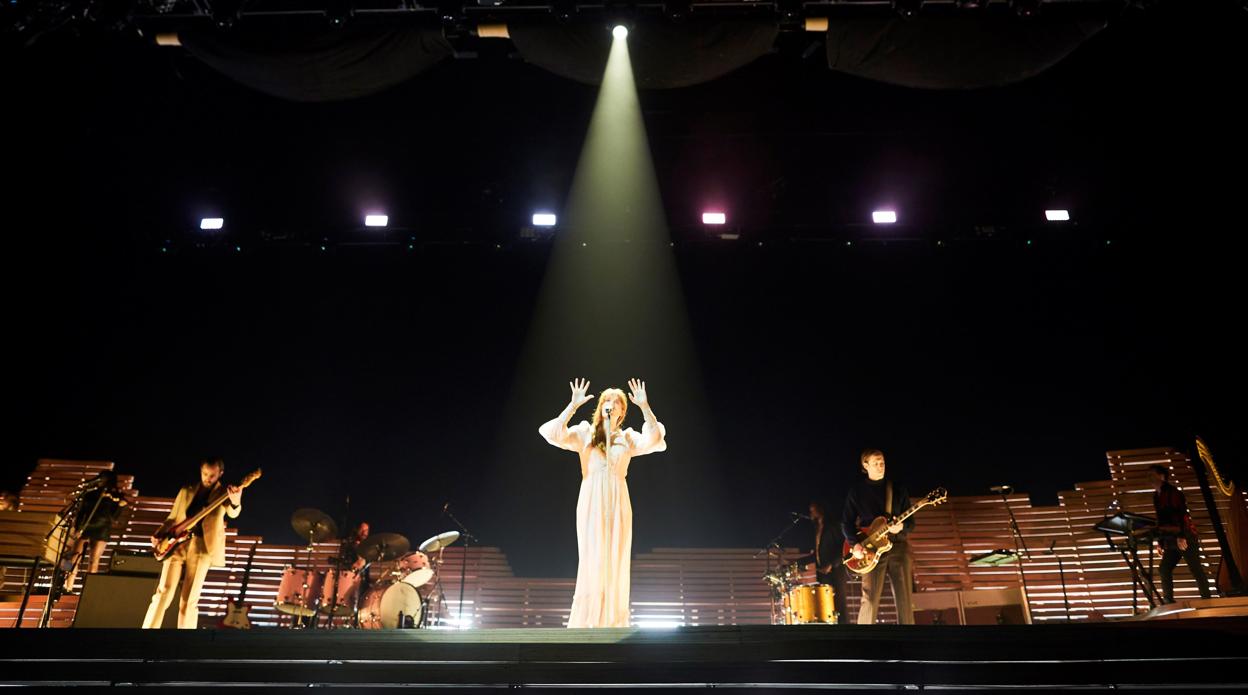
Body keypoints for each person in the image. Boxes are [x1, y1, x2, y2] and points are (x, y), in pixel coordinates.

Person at [540, 378, 666, 628]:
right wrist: (572, 406)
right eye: (607, 401)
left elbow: (654, 439)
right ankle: (588, 622)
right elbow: (552, 433)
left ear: (621, 413)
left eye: (617, 403)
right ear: (600, 407)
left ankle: (613, 621)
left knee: (615, 558)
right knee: (593, 556)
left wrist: (644, 406)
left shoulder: (626, 439)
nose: (612, 405)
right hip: (592, 498)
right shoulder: (585, 434)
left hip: (618, 500)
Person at [142, 458, 242, 629]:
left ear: (220, 474)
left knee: (189, 600)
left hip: (202, 547)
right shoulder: (186, 491)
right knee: (163, 592)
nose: (208, 478)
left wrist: (236, 500)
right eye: (205, 474)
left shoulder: (223, 494)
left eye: (212, 475)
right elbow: (172, 518)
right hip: (177, 545)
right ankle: (147, 633)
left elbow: (233, 513)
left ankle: (185, 643)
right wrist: (159, 533)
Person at [841, 449, 914, 625]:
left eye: (882, 463)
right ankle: (863, 642)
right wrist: (855, 545)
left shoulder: (897, 489)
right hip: (870, 549)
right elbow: (846, 522)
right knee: (870, 598)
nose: (881, 466)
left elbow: (911, 523)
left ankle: (911, 641)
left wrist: (901, 527)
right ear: (865, 465)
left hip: (898, 546)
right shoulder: (857, 491)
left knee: (904, 600)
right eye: (876, 463)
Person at [1150, 464, 1213, 603]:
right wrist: (1160, 542)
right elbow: (1161, 520)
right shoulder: (1156, 496)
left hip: (1185, 536)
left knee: (1196, 569)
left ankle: (1207, 600)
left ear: (1162, 476)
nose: (1150, 478)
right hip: (1170, 539)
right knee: (1164, 569)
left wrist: (1181, 536)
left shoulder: (1174, 492)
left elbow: (1182, 514)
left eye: (1153, 475)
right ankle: (1168, 601)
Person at [63, 470, 128, 591]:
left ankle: (88, 590)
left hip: (102, 528)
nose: (102, 481)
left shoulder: (115, 495)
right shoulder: (90, 493)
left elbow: (113, 517)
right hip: (85, 527)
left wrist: (119, 506)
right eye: (101, 478)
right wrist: (77, 528)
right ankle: (67, 587)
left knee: (94, 560)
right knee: (74, 558)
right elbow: (81, 511)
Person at [802, 500, 849, 622]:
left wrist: (832, 564)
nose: (811, 513)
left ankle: (845, 630)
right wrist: (798, 562)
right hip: (822, 572)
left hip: (837, 570)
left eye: (813, 510)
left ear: (820, 510)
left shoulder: (833, 525)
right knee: (825, 604)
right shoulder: (817, 529)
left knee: (839, 602)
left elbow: (844, 548)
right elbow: (817, 554)